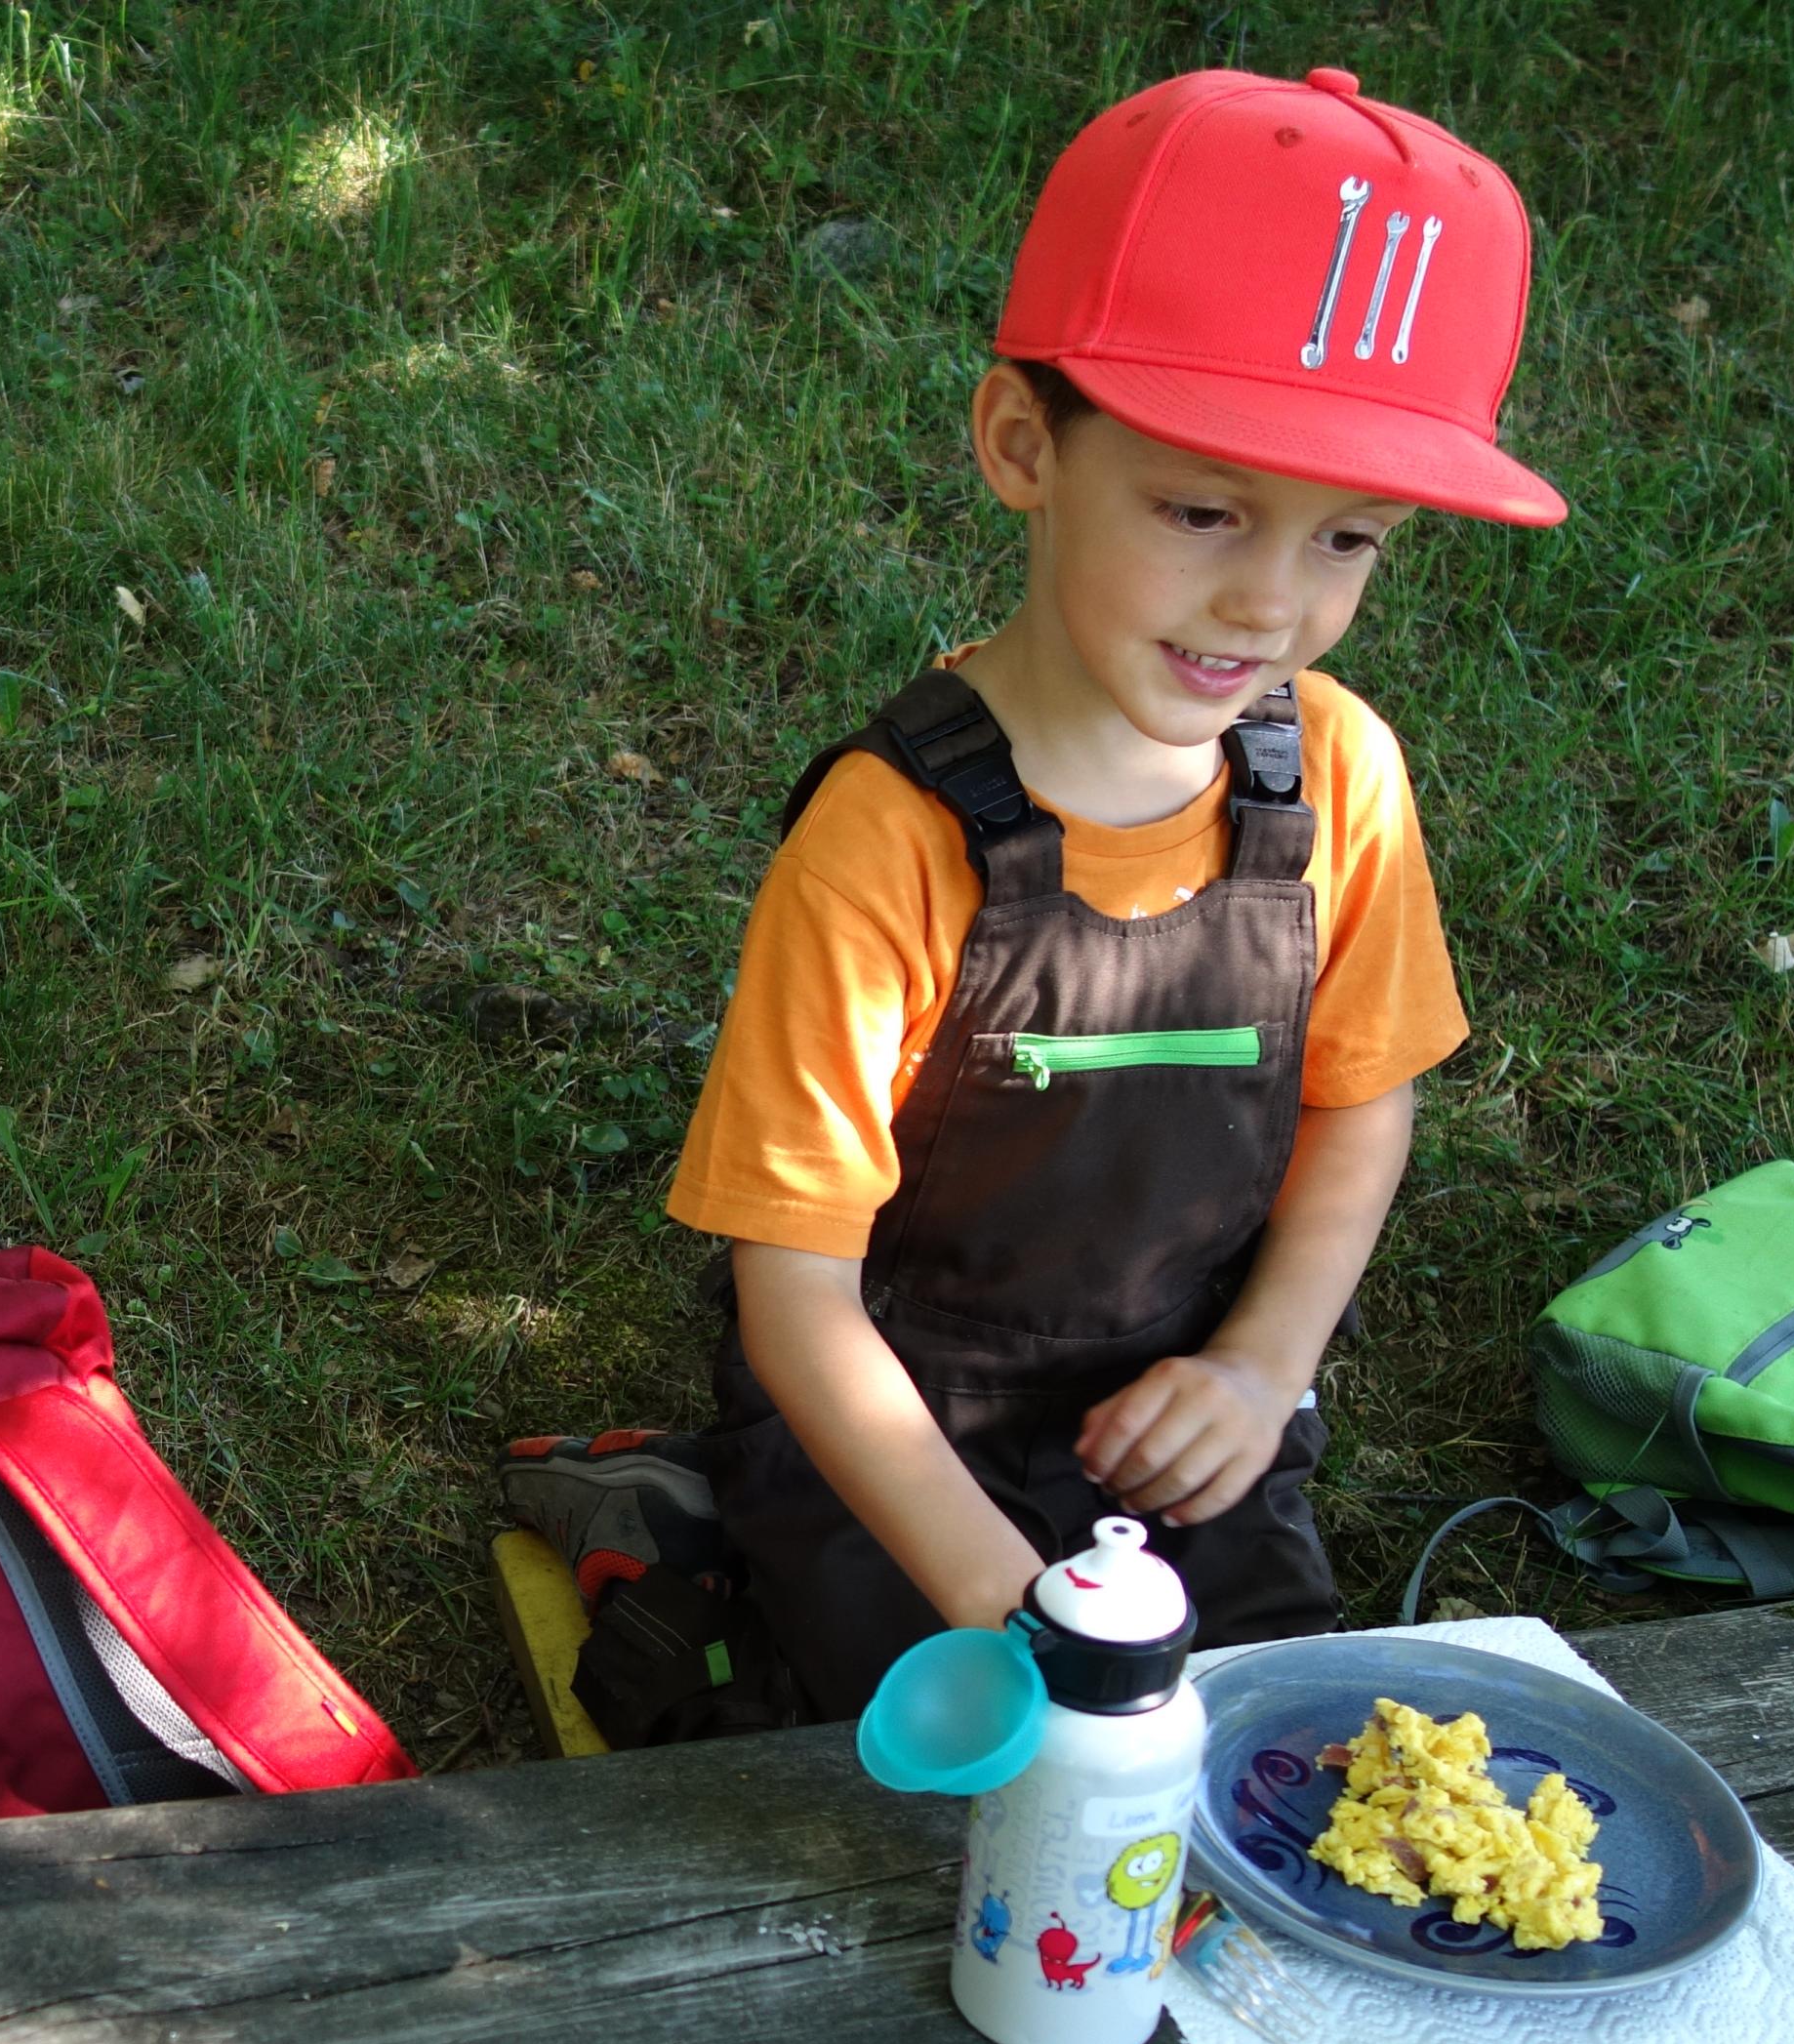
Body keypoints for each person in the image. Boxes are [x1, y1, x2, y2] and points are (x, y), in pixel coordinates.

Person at [532, 68, 1561, 1726]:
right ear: (1024, 443)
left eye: (1348, 541)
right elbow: (794, 1291)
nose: (1269, 601)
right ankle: (675, 1523)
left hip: (1179, 1406)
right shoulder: (887, 840)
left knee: (1266, 1738)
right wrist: (1010, 1611)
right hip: (897, 1421)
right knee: (939, 1766)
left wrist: (1260, 1369)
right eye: (1204, 510)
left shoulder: (1338, 776)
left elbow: (1363, 1104)